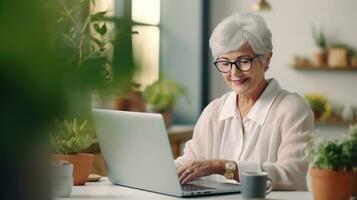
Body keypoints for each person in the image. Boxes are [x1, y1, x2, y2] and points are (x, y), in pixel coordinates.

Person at [175, 12, 314, 191]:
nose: (234, 72)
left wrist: (222, 166)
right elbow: (189, 162)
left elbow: (291, 174)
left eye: (244, 61)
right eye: (225, 63)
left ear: (267, 59)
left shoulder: (292, 109)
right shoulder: (214, 111)